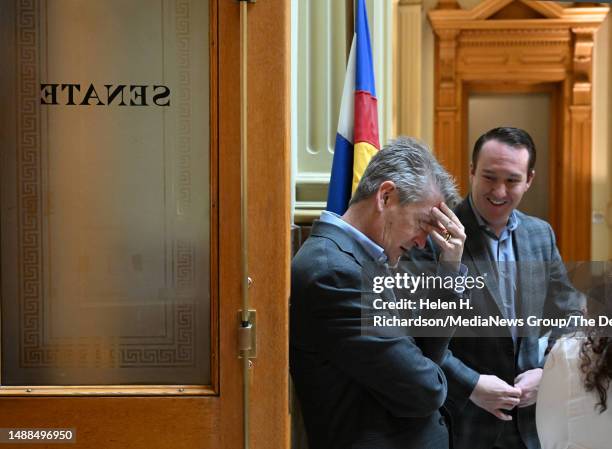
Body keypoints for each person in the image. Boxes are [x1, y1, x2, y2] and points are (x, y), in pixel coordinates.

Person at [409, 127, 583, 449]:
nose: (499, 191)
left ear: (529, 179)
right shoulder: (433, 236)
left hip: (533, 422)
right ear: (472, 171)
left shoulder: (540, 234)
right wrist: (471, 384)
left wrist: (547, 373)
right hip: (461, 422)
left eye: (512, 181)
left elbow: (570, 312)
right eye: (489, 177)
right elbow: (415, 336)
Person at [290, 136, 466, 449]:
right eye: (422, 224)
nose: (423, 243)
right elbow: (426, 390)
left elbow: (426, 359)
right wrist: (430, 375)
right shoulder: (334, 272)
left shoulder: (369, 261)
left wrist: (449, 271)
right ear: (385, 197)